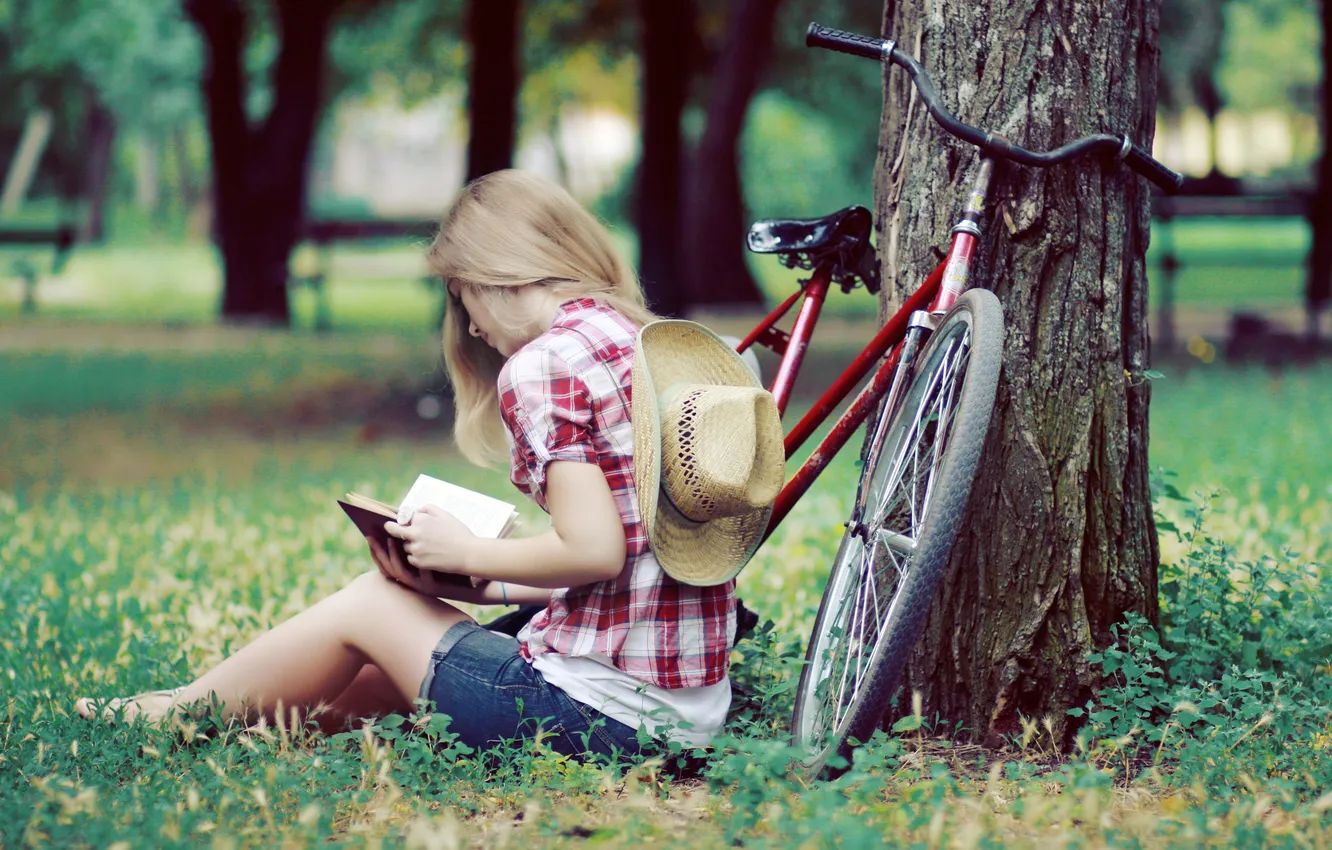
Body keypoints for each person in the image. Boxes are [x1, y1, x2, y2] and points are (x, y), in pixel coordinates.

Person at [76, 170, 784, 759]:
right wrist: (484, 581)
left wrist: (466, 547)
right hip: (686, 715)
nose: (472, 326)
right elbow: (631, 558)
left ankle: (171, 713)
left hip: (606, 724)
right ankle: (235, 727)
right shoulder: (645, 342)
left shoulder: (545, 365)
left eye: (462, 295)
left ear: (494, 273)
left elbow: (594, 550)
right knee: (372, 664)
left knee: (371, 601)